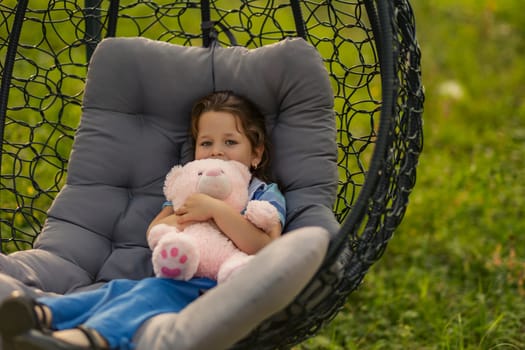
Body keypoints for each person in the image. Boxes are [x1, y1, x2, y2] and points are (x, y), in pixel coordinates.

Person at [0, 91, 286, 350]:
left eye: (230, 142)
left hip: (219, 291)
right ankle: (41, 313)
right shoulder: (189, 186)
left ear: (256, 153)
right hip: (177, 276)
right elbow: (157, 229)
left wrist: (214, 210)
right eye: (206, 142)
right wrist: (184, 214)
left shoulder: (262, 193)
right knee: (119, 290)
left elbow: (267, 248)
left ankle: (86, 339)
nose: (216, 151)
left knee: (146, 296)